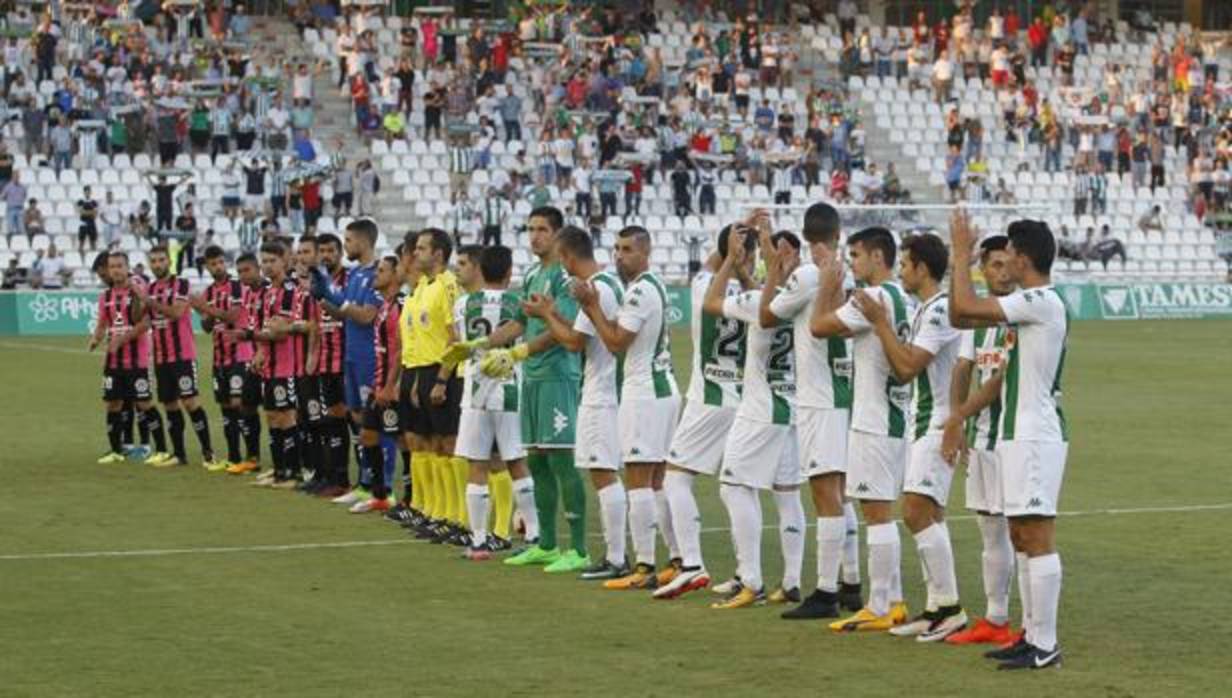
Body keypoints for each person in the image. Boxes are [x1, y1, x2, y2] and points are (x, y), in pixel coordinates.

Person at [948, 213, 1069, 671]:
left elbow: (962, 307)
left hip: (1036, 434)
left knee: (1036, 536)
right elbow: (964, 314)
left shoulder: (1041, 300)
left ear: (1024, 257)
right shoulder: (1032, 301)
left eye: (1011, 254)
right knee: (1021, 535)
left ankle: (1047, 643)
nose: (1006, 262)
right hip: (1018, 434)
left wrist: (961, 253)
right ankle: (1032, 636)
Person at [848, 233, 966, 641]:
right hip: (924, 420)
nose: (901, 270)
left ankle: (950, 607)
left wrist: (880, 323)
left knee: (915, 511)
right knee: (928, 513)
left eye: (906, 264)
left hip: (938, 423)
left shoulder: (938, 312)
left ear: (921, 268)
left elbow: (907, 367)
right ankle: (936, 607)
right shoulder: (925, 309)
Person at [462, 207, 589, 570]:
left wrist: (518, 352)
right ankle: (546, 543)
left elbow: (561, 328)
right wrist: (480, 345)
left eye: (542, 230)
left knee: (562, 460)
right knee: (536, 459)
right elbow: (518, 322)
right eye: (530, 229)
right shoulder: (533, 273)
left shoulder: (564, 279)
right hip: (531, 377)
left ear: (558, 234)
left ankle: (578, 549)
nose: (534, 236)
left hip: (557, 376)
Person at [762, 203, 863, 619]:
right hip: (844, 392)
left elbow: (766, 317)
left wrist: (773, 271)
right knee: (840, 493)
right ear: (838, 234)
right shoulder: (850, 271)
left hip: (819, 397)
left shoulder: (807, 275)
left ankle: (824, 592)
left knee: (824, 494)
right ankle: (851, 582)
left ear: (806, 236)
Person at [811, 226, 915, 632]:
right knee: (882, 512)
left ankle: (879, 603)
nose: (851, 264)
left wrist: (827, 284)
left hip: (873, 419)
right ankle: (897, 600)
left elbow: (818, 326)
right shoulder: (900, 297)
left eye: (855, 255)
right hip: (894, 416)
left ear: (877, 257)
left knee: (877, 514)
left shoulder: (873, 296)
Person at [701, 221, 807, 609]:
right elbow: (764, 298)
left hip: (761, 408)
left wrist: (730, 260)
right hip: (794, 407)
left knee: (732, 486)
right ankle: (792, 581)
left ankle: (751, 580)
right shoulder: (806, 298)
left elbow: (712, 303)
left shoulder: (756, 303)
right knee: (787, 494)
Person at [571, 225, 682, 588]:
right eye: (616, 249)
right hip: (662, 388)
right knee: (657, 481)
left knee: (638, 480)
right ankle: (678, 560)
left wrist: (590, 307)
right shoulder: (656, 284)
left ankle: (644, 568)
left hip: (644, 391)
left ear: (645, 253)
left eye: (627, 249)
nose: (619, 255)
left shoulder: (640, 290)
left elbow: (617, 342)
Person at [651, 224, 754, 599]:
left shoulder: (701, 289)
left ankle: (691, 564)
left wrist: (728, 249)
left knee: (675, 479)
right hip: (745, 400)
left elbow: (711, 267)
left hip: (708, 398)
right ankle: (749, 574)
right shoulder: (757, 295)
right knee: (740, 486)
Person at [521, 227, 625, 578]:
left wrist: (548, 315)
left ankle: (611, 556)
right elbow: (579, 331)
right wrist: (550, 313)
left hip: (602, 392)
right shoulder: (603, 285)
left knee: (603, 474)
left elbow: (573, 343)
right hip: (604, 389)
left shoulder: (594, 288)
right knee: (603, 472)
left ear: (566, 256)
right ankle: (612, 555)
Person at [942, 235, 1022, 648]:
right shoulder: (979, 320)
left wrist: (956, 418)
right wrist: (958, 415)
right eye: (994, 265)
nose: (1003, 272)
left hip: (1014, 439)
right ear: (984, 270)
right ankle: (995, 618)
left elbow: (997, 382)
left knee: (1022, 533)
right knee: (990, 529)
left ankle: (1031, 627)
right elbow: (963, 367)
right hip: (983, 439)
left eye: (1008, 264)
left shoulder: (1019, 316)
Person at [451, 245, 537, 558]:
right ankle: (535, 536)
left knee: (477, 465)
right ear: (509, 272)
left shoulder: (462, 304)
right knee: (516, 461)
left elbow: (458, 343)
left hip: (475, 391)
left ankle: (478, 541)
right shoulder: (519, 304)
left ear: (480, 270)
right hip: (511, 388)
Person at [393, 229, 466, 537]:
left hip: (440, 370)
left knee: (447, 444)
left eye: (422, 248)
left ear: (438, 254)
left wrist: (441, 379)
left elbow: (455, 339)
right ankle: (429, 508)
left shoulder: (448, 285)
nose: (415, 254)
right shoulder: (422, 286)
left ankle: (457, 515)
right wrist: (406, 379)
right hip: (417, 371)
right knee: (421, 442)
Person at [310, 220, 382, 503]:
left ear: (363, 242)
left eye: (349, 240)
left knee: (369, 421)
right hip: (350, 355)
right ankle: (364, 482)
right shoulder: (354, 275)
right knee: (356, 418)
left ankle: (376, 484)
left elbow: (366, 316)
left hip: (367, 356)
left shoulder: (377, 273)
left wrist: (333, 297)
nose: (346, 245)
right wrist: (323, 299)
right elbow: (343, 314)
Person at [136, 246, 219, 469]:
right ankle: (179, 454)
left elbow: (176, 313)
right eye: (153, 261)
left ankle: (208, 453)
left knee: (190, 402)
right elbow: (137, 317)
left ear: (168, 261)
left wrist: (148, 300)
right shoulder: (150, 288)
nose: (157, 264)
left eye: (161, 260)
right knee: (170, 405)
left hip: (182, 356)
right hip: (161, 358)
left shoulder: (181, 284)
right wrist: (139, 299)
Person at [90, 251, 172, 466]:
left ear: (127, 268)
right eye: (112, 266)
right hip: (113, 361)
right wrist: (96, 339)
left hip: (137, 361)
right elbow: (102, 324)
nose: (116, 270)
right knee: (113, 404)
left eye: (119, 265)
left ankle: (161, 449)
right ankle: (116, 450)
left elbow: (145, 324)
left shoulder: (137, 290)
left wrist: (121, 340)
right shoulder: (105, 297)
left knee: (144, 403)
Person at [191, 246, 257, 471]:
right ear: (207, 267)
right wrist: (205, 313)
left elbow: (235, 316)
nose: (217, 266)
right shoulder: (209, 291)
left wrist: (207, 308)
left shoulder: (237, 286)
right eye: (213, 264)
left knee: (240, 405)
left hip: (240, 354)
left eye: (220, 262)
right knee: (226, 407)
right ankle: (234, 457)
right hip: (219, 358)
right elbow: (207, 327)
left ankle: (252, 456)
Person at [250, 240, 306, 487]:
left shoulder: (290, 291)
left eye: (273, 261)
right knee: (271, 415)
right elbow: (265, 329)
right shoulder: (264, 292)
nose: (268, 266)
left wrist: (255, 337)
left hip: (288, 365)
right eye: (264, 261)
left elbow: (281, 332)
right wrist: (260, 351)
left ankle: (294, 472)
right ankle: (279, 469)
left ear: (285, 261)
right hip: (269, 367)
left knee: (287, 417)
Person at [355, 255, 404, 512]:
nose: (376, 275)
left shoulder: (399, 306)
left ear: (395, 275)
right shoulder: (384, 306)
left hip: (391, 387)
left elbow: (402, 350)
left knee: (404, 441)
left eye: (382, 271)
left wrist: (391, 385)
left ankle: (412, 499)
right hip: (379, 384)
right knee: (368, 435)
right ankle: (381, 495)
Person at [306, 234, 352, 498]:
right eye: (321, 250)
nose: (325, 255)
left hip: (347, 361)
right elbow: (315, 322)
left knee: (356, 421)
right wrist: (312, 353)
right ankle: (339, 479)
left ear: (340, 252)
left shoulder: (351, 279)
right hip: (325, 361)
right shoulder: (318, 281)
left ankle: (369, 483)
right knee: (334, 420)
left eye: (330, 250)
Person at [2, 172, 26, 240]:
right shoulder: (8, 186)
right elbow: (3, 196)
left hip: (20, 208)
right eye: (15, 177)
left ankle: (21, 242)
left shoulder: (22, 187)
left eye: (17, 177)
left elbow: (24, 195)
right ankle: (10, 243)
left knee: (21, 228)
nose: (16, 178)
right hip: (11, 209)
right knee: (11, 227)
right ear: (12, 178)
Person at [77, 186, 100, 253]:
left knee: (93, 241)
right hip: (83, 223)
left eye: (88, 191)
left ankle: (93, 256)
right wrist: (91, 212)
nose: (87, 193)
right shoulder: (80, 201)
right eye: (86, 191)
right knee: (81, 241)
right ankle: (80, 257)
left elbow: (95, 213)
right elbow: (81, 212)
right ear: (84, 192)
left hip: (92, 223)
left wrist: (86, 212)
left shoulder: (94, 202)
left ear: (90, 192)